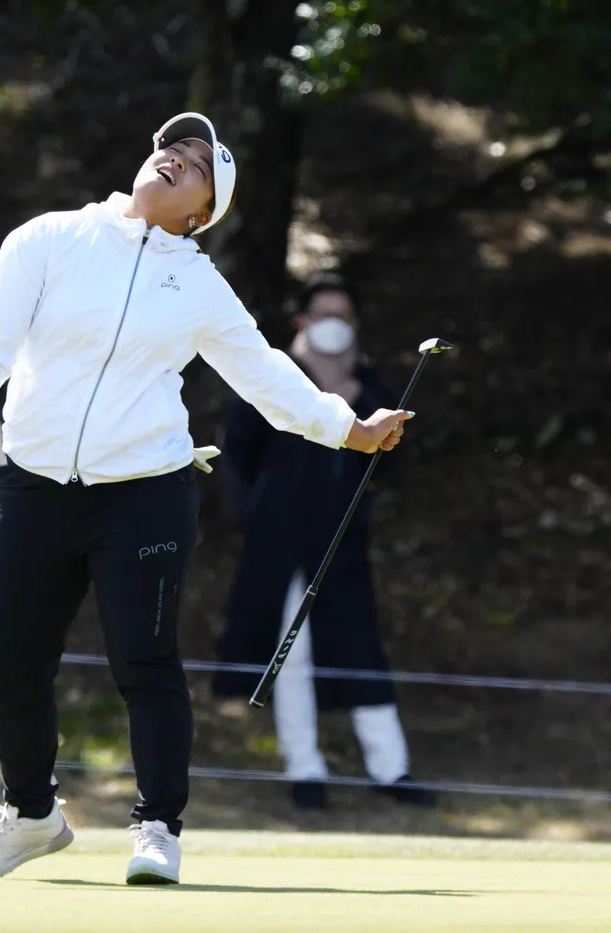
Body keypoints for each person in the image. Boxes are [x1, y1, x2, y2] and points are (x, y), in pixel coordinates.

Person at [0, 112, 415, 884]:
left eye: (199, 163)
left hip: (145, 490)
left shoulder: (199, 283)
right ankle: (32, 815)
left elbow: (263, 372)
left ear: (203, 213)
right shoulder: (49, 238)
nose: (177, 157)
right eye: (174, 146)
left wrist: (349, 429)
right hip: (35, 483)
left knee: (144, 660)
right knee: (12, 660)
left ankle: (157, 828)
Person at [213, 273, 435, 811]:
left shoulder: (371, 385)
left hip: (343, 542)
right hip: (278, 544)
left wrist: (362, 409)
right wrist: (253, 515)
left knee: (362, 650)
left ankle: (391, 769)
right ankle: (305, 769)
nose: (332, 324)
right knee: (292, 653)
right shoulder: (276, 378)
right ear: (302, 321)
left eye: (342, 315)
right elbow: (235, 454)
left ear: (355, 324)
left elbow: (396, 461)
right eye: (322, 314)